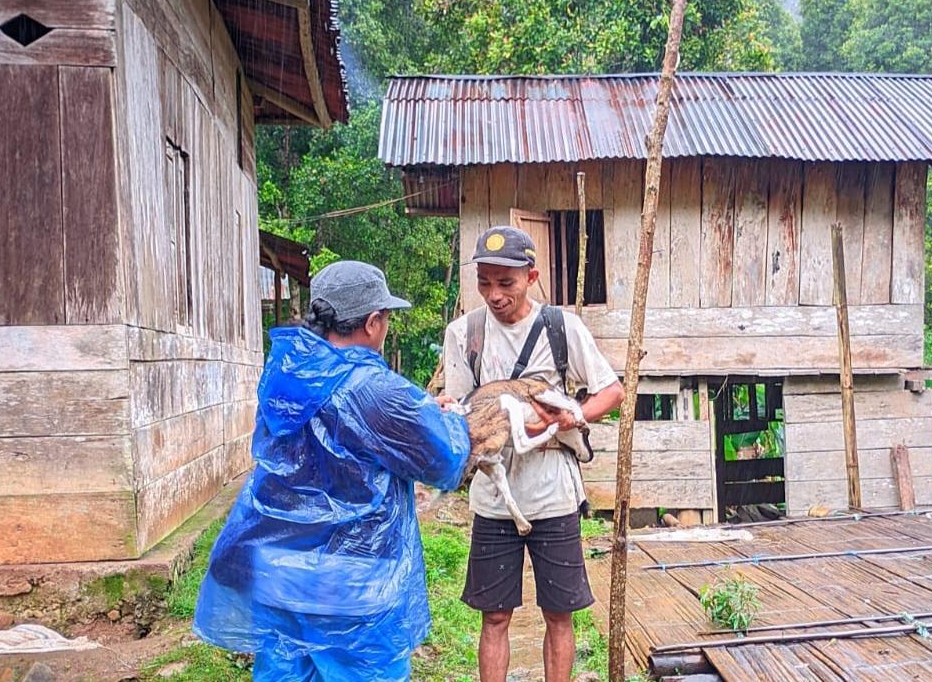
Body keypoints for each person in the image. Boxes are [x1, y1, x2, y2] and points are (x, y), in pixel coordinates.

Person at [193, 260, 471, 682]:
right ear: (373, 322)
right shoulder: (378, 391)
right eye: (386, 319)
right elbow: (445, 460)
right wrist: (449, 420)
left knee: (287, 671)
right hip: (354, 584)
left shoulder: (286, 377)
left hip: (281, 570)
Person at [442, 226, 625, 682]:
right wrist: (446, 411)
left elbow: (612, 392)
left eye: (506, 282)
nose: (494, 294)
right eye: (485, 282)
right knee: (494, 616)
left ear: (532, 277)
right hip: (494, 500)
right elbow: (461, 409)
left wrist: (568, 418)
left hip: (553, 494)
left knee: (559, 614)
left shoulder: (561, 328)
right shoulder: (464, 334)